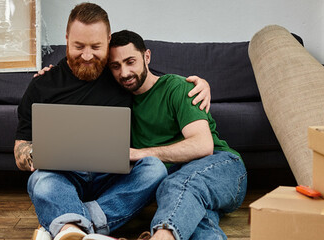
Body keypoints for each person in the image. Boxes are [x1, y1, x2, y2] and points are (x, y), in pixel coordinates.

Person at [14, 3, 212, 240]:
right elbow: (20, 148)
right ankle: (88, 229)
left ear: (108, 40)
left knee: (154, 169)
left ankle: (70, 227)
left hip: (114, 176)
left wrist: (201, 83)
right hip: (64, 176)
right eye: (78, 46)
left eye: (96, 47)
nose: (87, 56)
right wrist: (36, 155)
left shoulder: (121, 74)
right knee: (40, 180)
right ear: (66, 39)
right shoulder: (42, 85)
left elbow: (159, 82)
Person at [107, 30, 247, 240]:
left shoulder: (177, 87)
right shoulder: (117, 101)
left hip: (222, 167)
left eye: (130, 61)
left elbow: (202, 145)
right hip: (182, 191)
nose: (124, 72)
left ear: (147, 57)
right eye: (116, 66)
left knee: (174, 185)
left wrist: (140, 153)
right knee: (197, 224)